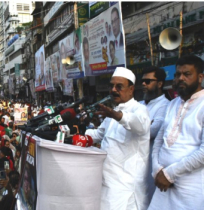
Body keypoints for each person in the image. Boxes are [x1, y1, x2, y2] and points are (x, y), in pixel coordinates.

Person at [85, 67, 151, 209]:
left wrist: (118, 116)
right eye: (112, 86)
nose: (113, 90)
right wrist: (72, 135)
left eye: (119, 86)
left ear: (131, 89)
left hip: (126, 188)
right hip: (106, 183)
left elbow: (140, 126)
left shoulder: (139, 110)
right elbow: (98, 135)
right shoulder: (114, 112)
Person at [148, 55, 204, 209]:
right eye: (177, 74)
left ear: (200, 77)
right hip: (163, 185)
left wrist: (170, 174)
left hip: (190, 190)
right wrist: (156, 169)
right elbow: (159, 141)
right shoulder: (172, 104)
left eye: (187, 74)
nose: (180, 78)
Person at [139, 66, 169, 201]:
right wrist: (144, 125)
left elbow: (152, 130)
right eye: (142, 81)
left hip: (150, 164)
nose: (143, 84)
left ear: (160, 83)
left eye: (148, 81)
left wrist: (134, 125)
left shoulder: (166, 105)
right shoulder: (138, 104)